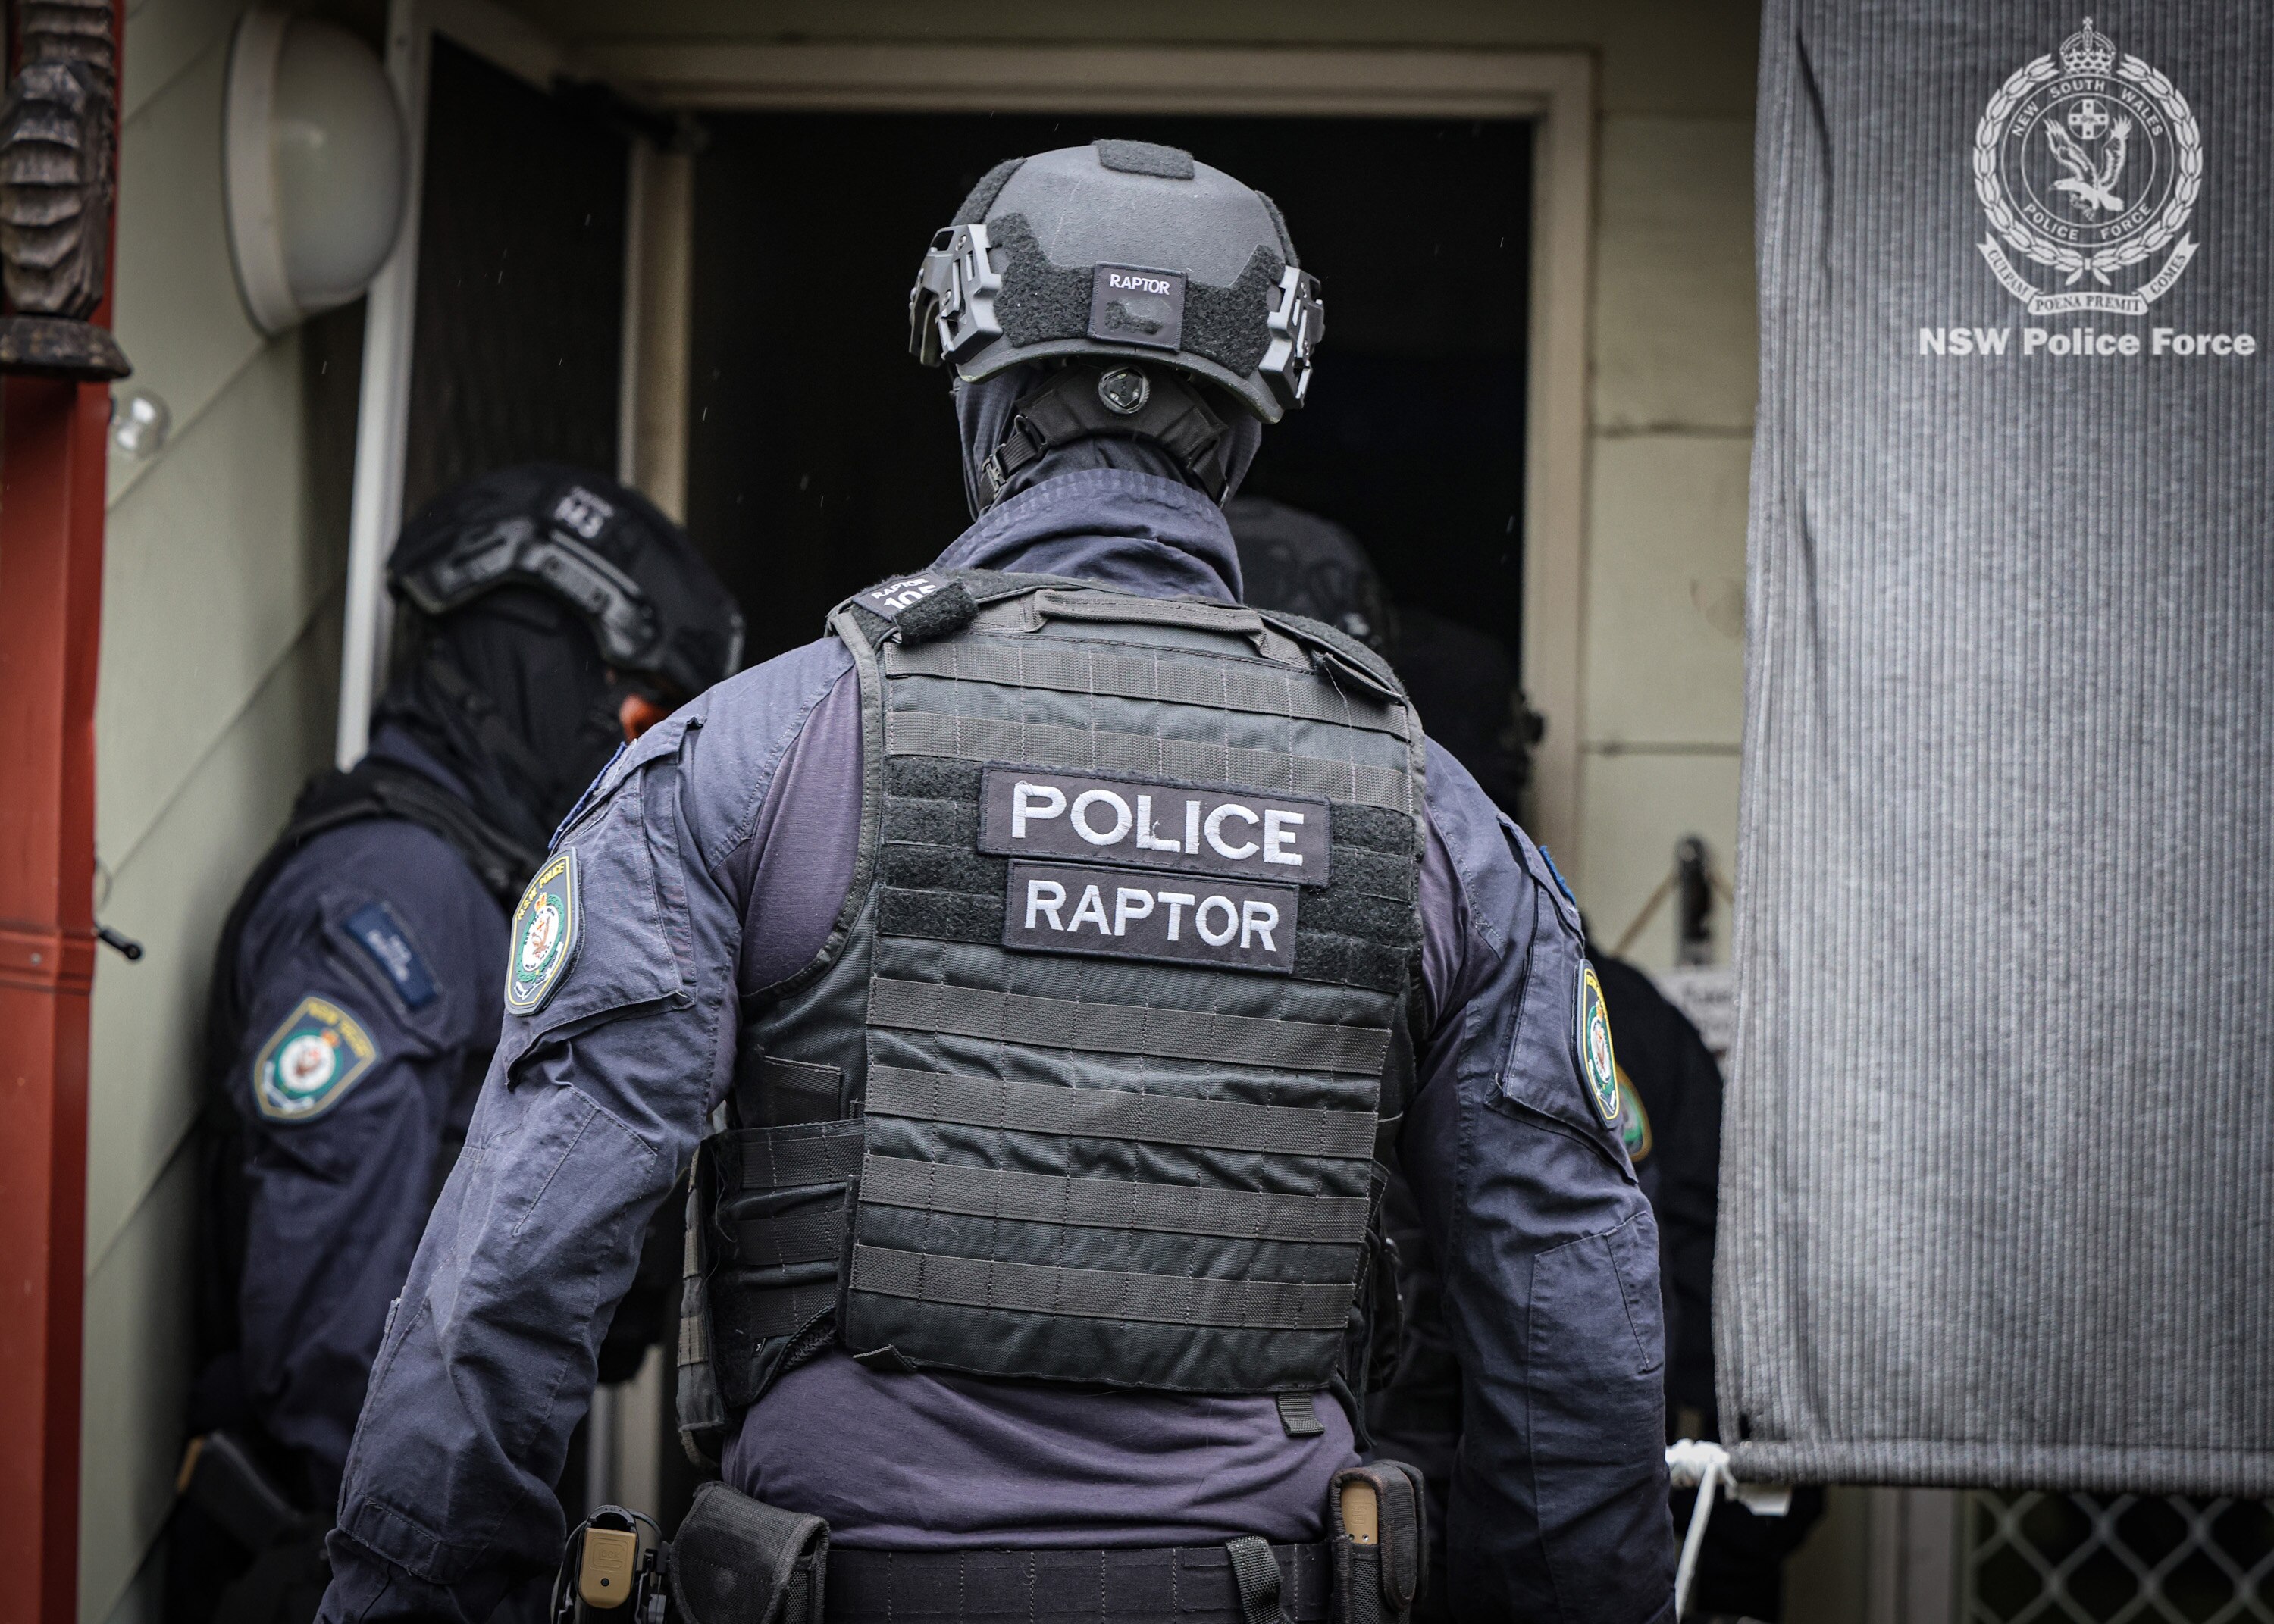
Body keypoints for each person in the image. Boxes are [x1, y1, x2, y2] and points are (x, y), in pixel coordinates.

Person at [319, 142, 1674, 1624]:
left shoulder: (754, 759)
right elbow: (1571, 1321)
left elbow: (509, 1282)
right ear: (1244, 424)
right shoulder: (1437, 826)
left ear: (978, 389)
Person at [176, 466, 742, 1622]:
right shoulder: (395, 894)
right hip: (336, 1565)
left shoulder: (483, 899)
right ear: (530, 665)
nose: (639, 759)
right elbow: (335, 1347)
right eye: (639, 719)